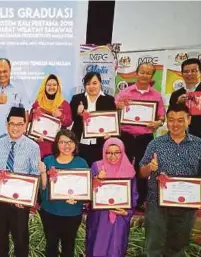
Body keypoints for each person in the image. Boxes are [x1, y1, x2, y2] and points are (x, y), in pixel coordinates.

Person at [139, 103, 201, 257]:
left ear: (189, 120)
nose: (175, 124)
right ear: (166, 121)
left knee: (177, 248)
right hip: (157, 205)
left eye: (180, 120)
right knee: (152, 248)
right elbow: (141, 172)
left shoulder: (198, 145)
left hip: (186, 206)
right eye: (171, 120)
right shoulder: (155, 144)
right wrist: (149, 168)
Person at [0, 107, 40, 257]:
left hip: (20, 203)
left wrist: (26, 200)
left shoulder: (33, 147)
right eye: (12, 124)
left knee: (21, 242)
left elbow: (35, 175)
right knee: (0, 241)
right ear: (6, 124)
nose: (15, 127)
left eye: (19, 124)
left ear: (25, 125)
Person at [115, 62, 166, 212]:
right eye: (142, 72)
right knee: (121, 166)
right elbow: (113, 105)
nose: (144, 75)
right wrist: (118, 106)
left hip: (145, 137)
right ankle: (120, 196)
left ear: (152, 76)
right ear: (136, 73)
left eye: (148, 73)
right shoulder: (126, 92)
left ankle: (142, 199)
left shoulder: (156, 95)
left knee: (144, 169)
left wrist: (158, 122)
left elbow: (162, 117)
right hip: (126, 135)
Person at [85, 138, 138, 257]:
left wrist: (126, 212)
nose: (112, 156)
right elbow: (87, 191)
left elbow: (133, 195)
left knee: (116, 249)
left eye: (116, 152)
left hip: (119, 218)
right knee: (97, 248)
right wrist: (97, 179)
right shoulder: (97, 166)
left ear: (122, 152)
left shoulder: (129, 170)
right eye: (108, 152)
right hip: (100, 216)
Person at [40, 129, 89, 257]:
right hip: (50, 210)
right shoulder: (48, 161)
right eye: (62, 142)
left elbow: (84, 188)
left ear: (75, 144)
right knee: (51, 246)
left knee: (68, 246)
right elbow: (43, 187)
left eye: (70, 142)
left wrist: (77, 199)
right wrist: (42, 173)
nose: (66, 146)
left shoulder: (81, 163)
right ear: (56, 144)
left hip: (72, 212)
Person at [0, 58, 31, 151]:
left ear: (10, 70)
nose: (2, 75)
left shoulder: (19, 88)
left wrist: (23, 133)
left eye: (5, 71)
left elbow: (26, 112)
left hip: (15, 138)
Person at [70, 72, 117, 166]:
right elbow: (70, 119)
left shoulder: (109, 100)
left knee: (98, 171)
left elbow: (113, 122)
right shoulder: (77, 98)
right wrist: (78, 113)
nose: (91, 86)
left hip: (100, 143)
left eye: (94, 83)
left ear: (100, 83)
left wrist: (111, 133)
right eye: (88, 84)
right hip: (80, 143)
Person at [30, 74, 72, 159]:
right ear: (44, 86)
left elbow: (68, 122)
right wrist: (35, 138)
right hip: (40, 143)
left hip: (57, 145)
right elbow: (30, 121)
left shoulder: (64, 104)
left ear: (58, 87)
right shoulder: (38, 103)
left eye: (54, 85)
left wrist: (60, 115)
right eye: (49, 85)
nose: (51, 87)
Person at [169, 58, 201, 138]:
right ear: (182, 74)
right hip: (180, 137)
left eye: (194, 71)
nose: (190, 74)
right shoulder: (176, 94)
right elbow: (170, 115)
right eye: (186, 71)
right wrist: (178, 103)